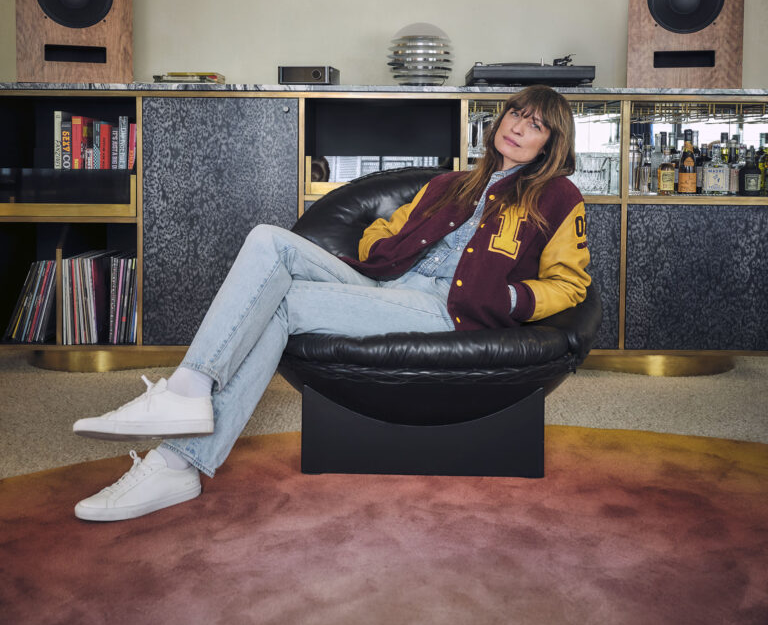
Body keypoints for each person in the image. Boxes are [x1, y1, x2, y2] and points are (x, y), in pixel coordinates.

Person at [73, 85, 591, 522]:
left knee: (283, 305)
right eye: (516, 114)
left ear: (551, 144)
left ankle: (178, 460)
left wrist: (505, 297)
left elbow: (569, 284)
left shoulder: (559, 198)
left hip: (441, 307)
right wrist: (378, 248)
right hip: (382, 282)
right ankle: (188, 391)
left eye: (536, 125)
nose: (518, 127)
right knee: (267, 239)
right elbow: (385, 227)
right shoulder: (448, 183)